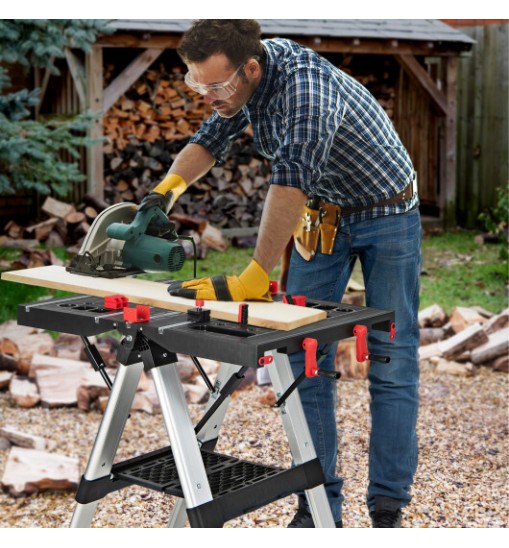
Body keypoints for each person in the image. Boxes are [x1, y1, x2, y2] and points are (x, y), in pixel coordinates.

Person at [139, 19, 422, 528]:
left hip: (388, 214)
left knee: (391, 357)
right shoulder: (236, 84)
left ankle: (387, 508)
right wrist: (166, 191)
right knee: (299, 355)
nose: (207, 95)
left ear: (251, 68)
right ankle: (318, 505)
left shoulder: (305, 89)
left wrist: (255, 274)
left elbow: (290, 179)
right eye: (196, 83)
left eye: (214, 85)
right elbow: (208, 140)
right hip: (324, 215)